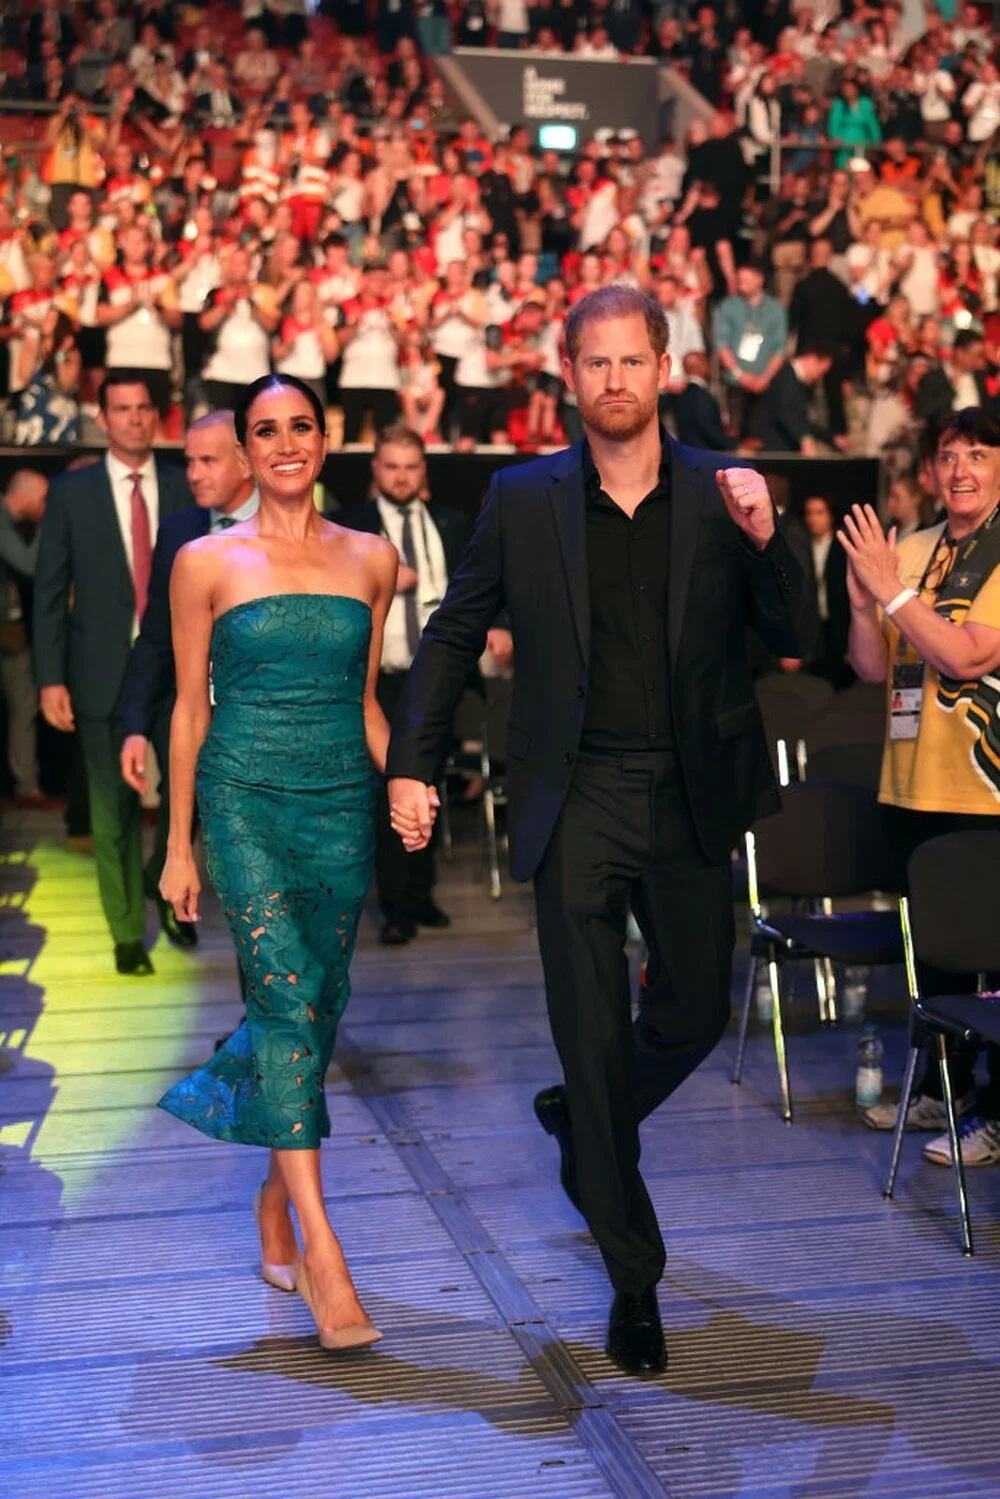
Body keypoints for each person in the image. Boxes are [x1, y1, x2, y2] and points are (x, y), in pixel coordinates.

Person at [386, 286, 816, 1375]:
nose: (615, 379)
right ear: (566, 374)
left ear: (664, 368)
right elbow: (450, 633)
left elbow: (796, 637)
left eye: (633, 360)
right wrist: (412, 761)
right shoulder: (522, 499)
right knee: (585, 1025)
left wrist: (771, 540)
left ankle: (582, 1115)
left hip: (689, 792)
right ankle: (634, 1277)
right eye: (596, 362)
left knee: (691, 1006)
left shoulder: (727, 492)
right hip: (572, 798)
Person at [157, 374, 398, 1349]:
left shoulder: (372, 558)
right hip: (243, 800)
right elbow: (188, 711)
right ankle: (323, 1253)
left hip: (341, 802)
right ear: (245, 451)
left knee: (309, 1011)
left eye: (301, 425)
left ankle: (270, 1198)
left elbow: (371, 702)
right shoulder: (205, 561)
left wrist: (407, 784)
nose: (286, 443)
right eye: (267, 430)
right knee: (288, 999)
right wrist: (179, 844)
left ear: (324, 438)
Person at [839, 409, 1000, 1168]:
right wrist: (858, 595)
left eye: (978, 453)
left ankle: (996, 1111)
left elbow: (967, 656)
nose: (960, 469)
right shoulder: (907, 549)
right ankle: (951, 1083)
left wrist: (891, 592)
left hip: (986, 793)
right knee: (934, 958)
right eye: (947, 456)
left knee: (994, 960)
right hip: (910, 784)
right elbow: (874, 666)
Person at [33, 373, 192, 975]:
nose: (133, 419)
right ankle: (126, 931)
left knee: (188, 792)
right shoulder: (72, 492)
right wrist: (51, 678)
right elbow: (49, 590)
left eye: (143, 409)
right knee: (111, 807)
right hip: (98, 669)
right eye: (121, 409)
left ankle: (162, 875)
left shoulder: (183, 486)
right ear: (103, 418)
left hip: (172, 671)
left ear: (157, 416)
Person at [119, 411, 260, 948]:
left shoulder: (282, 521)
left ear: (244, 461)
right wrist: (135, 726)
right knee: (190, 812)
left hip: (259, 715)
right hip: (188, 708)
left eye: (208, 460)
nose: (194, 473)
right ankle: (175, 886)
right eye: (189, 461)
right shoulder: (179, 530)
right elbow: (155, 634)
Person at [339, 424, 475, 945]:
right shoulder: (351, 527)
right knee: (390, 791)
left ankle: (422, 893)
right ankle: (395, 905)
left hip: (438, 678)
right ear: (375, 470)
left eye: (411, 466)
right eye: (391, 466)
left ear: (424, 471)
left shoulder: (453, 523)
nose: (401, 476)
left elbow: (479, 589)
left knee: (431, 785)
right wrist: (386, 577)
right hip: (382, 679)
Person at [0, 471, 47, 803]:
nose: (46, 509)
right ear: (27, 497)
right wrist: (52, 528)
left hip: (10, 631)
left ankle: (26, 785)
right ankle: (26, 787)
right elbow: (31, 564)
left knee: (23, 703)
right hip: (6, 634)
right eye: (45, 502)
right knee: (23, 704)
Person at [802, 494, 852, 687]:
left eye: (820, 512)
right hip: (813, 623)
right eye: (809, 513)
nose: (813, 518)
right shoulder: (801, 544)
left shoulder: (844, 546)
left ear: (831, 516)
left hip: (838, 623)